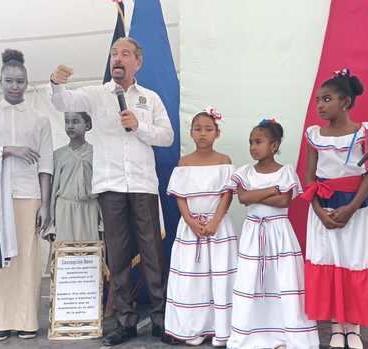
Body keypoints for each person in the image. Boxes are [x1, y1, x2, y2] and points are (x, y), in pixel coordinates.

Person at [50, 37, 174, 346]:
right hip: (109, 185)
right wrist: (55, 84)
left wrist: (138, 127)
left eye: (125, 54)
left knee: (152, 254)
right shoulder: (95, 94)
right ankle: (125, 321)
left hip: (143, 184)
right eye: (114, 54)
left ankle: (160, 318)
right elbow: (63, 103)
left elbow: (168, 137)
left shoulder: (150, 98)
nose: (117, 58)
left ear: (138, 62)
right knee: (117, 255)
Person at [0, 49, 53, 341]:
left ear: (27, 82)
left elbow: (46, 165)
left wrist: (46, 204)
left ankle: (26, 319)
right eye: (9, 81)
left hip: (29, 197)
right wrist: (7, 150)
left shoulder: (40, 120)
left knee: (27, 260)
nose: (15, 86)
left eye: (20, 81)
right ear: (0, 81)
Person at [301, 69, 368, 349]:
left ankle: (354, 327)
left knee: (354, 262)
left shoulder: (365, 132)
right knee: (332, 263)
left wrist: (350, 208)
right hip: (324, 210)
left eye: (326, 99)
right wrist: (318, 212)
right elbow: (309, 178)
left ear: (346, 102)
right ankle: (337, 326)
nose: (320, 105)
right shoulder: (314, 135)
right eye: (317, 101)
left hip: (357, 209)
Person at [228, 119, 319, 349]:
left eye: (258, 141)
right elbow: (243, 198)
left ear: (274, 145)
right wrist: (270, 189)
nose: (253, 147)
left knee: (282, 280)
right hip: (253, 233)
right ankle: (254, 332)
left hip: (279, 233)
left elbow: (283, 201)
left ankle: (284, 330)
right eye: (251, 142)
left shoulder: (286, 171)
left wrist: (260, 194)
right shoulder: (244, 172)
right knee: (253, 279)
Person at [164, 108, 237, 347]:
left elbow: (227, 194)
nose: (203, 134)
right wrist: (190, 221)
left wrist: (215, 220)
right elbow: (180, 196)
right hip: (191, 229)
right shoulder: (184, 163)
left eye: (208, 129)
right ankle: (192, 327)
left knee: (218, 276)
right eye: (198, 129)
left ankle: (219, 328)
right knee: (192, 279)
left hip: (218, 228)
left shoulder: (224, 161)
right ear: (191, 133)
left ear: (217, 133)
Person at [48, 111, 100, 242]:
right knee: (65, 253)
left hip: (89, 210)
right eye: (67, 122)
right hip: (64, 210)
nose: (70, 126)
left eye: (75, 121)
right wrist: (51, 224)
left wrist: (102, 221)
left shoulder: (97, 153)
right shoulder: (58, 155)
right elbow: (53, 190)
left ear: (87, 125)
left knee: (90, 252)